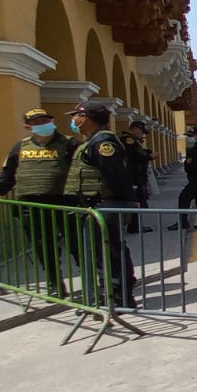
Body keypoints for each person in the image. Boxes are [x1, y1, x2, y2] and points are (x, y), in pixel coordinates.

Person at [0, 108, 79, 297]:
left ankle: (92, 280)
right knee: (43, 245)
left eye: (45, 120)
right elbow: (8, 172)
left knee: (77, 243)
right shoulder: (21, 147)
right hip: (31, 205)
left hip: (65, 201)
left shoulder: (69, 143)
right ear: (28, 127)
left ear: (52, 121)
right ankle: (54, 284)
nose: (43, 124)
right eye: (37, 122)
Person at [64, 100, 138, 308]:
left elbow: (116, 175)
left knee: (111, 252)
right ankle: (107, 295)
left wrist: (129, 202)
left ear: (86, 118)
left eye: (76, 116)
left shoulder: (104, 143)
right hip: (94, 206)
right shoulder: (91, 141)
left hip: (105, 205)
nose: (74, 120)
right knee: (100, 252)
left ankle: (121, 297)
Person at [168, 126, 197, 230]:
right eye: (188, 136)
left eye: (191, 135)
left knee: (184, 196)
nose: (189, 138)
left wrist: (191, 163)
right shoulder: (196, 146)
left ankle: (183, 222)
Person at [120, 120, 154, 234]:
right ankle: (134, 226)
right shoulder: (128, 140)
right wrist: (149, 157)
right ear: (135, 128)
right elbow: (135, 155)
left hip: (135, 175)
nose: (142, 134)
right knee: (135, 201)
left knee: (137, 201)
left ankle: (134, 225)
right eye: (141, 131)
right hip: (132, 176)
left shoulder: (132, 140)